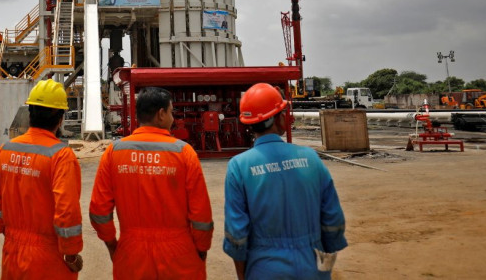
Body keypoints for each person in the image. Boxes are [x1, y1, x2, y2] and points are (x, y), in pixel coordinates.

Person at [223, 83, 347, 279]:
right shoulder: (310, 158)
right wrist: (323, 265)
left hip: (264, 268)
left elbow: (236, 234)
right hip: (312, 264)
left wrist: (244, 275)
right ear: (277, 118)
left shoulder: (239, 166)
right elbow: (333, 219)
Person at [89, 86, 213, 280]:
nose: (173, 118)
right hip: (178, 254)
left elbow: (99, 211)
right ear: (161, 114)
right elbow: (201, 214)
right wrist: (201, 248)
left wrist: (113, 245)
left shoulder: (114, 152)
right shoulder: (184, 153)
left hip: (131, 254)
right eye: (172, 112)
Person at [0, 80, 83, 279]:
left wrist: (8, 231)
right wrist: (71, 255)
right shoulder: (61, 156)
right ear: (61, 118)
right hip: (48, 257)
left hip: (12, 251)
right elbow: (67, 213)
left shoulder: (6, 150)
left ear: (30, 114)